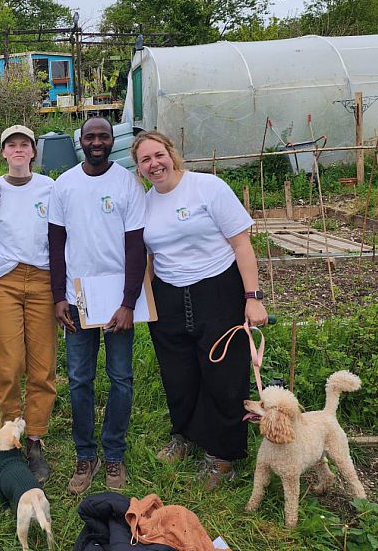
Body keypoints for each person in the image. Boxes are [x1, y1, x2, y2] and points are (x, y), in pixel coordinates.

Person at [130, 130, 268, 490]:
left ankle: (222, 455)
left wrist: (252, 295)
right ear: (139, 167)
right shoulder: (145, 202)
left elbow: (241, 243)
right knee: (179, 373)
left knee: (223, 374)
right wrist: (142, 300)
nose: (153, 164)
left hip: (217, 289)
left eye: (158, 155)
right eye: (145, 160)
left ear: (171, 154)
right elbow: (146, 256)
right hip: (169, 296)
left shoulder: (208, 188)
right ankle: (186, 435)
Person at [48, 116, 147, 494]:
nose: (96, 142)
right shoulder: (65, 185)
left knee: (121, 379)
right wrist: (59, 297)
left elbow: (135, 247)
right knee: (79, 381)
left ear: (111, 140)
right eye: (89, 136)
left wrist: (128, 302)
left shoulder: (127, 183)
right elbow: (56, 245)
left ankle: (114, 454)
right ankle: (85, 454)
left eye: (103, 136)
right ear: (80, 141)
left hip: (117, 303)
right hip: (77, 301)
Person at [0, 125, 56, 483]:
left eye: (24, 145)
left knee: (42, 366)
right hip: (5, 282)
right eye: (11, 145)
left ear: (32, 152)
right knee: (10, 364)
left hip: (42, 279)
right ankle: (10, 435)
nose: (17, 150)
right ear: (3, 152)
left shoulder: (49, 187)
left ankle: (34, 439)